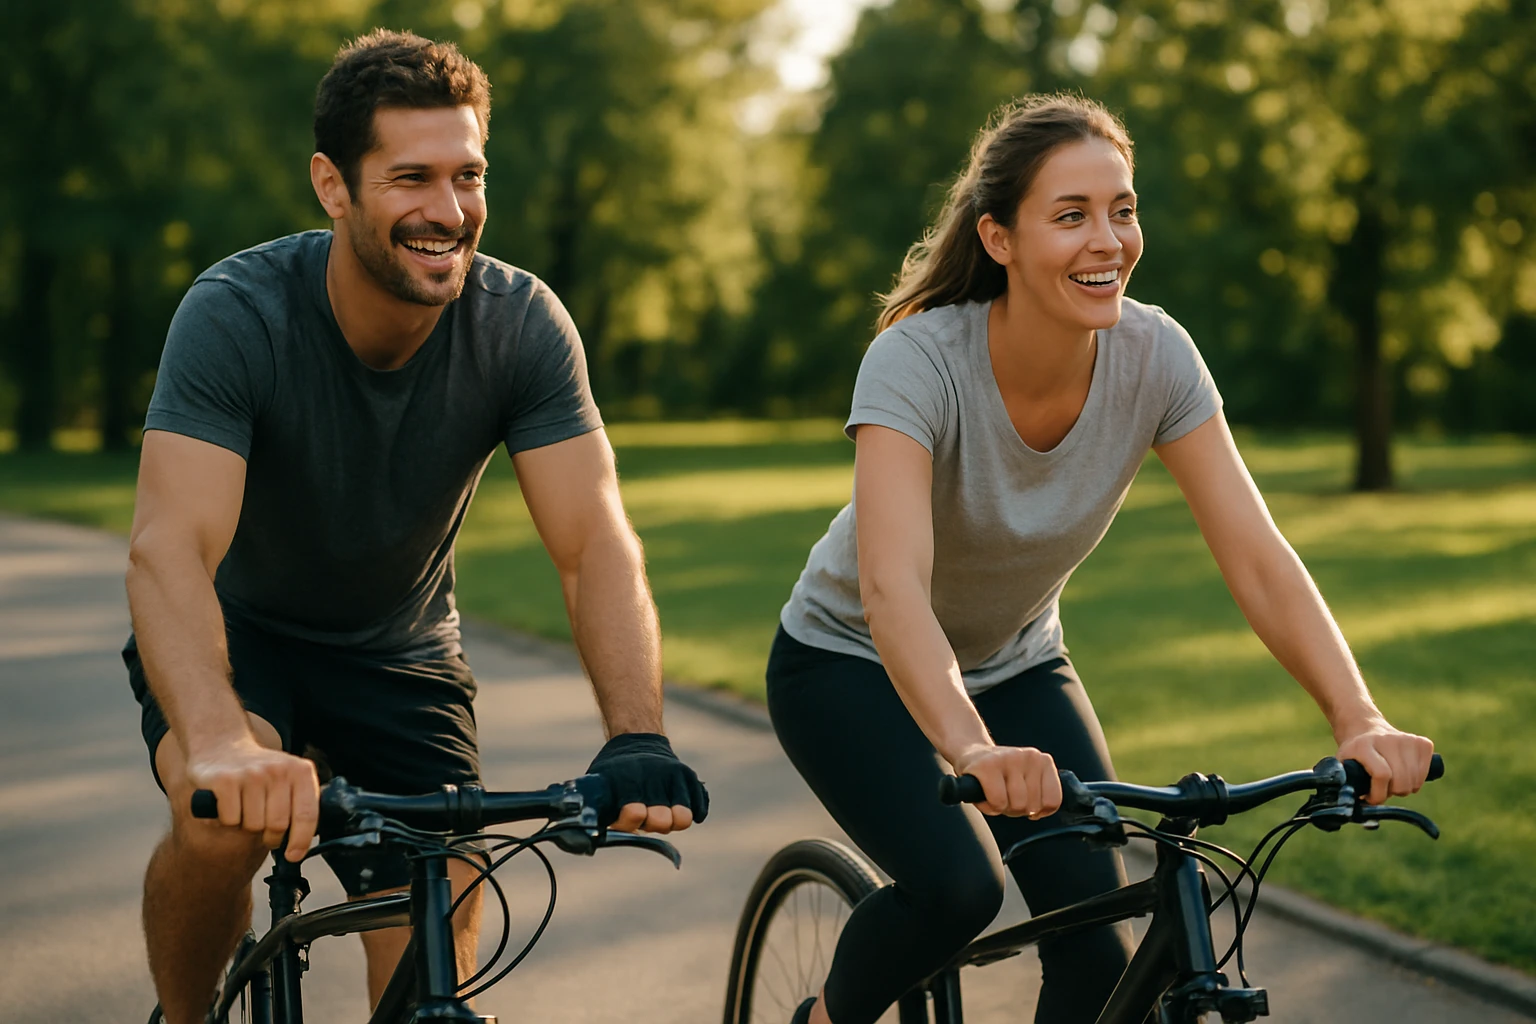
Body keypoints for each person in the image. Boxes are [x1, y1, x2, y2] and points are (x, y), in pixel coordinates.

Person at [767, 94, 1435, 1024]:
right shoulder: (918, 360)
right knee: (960, 890)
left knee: (1097, 944)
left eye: (1122, 209)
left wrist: (1356, 717)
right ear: (998, 238)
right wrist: (972, 749)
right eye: (1071, 215)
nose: (1108, 240)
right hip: (846, 662)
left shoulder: (1157, 357)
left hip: (1016, 661)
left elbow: (1257, 555)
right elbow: (890, 589)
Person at [124, 30, 708, 1023]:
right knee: (217, 822)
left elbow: (593, 541)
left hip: (401, 657)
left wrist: (636, 731)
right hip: (240, 642)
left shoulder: (522, 325)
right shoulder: (237, 313)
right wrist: (221, 741)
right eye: (412, 178)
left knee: (437, 929)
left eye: (468, 175)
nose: (449, 210)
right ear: (333, 185)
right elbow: (167, 546)